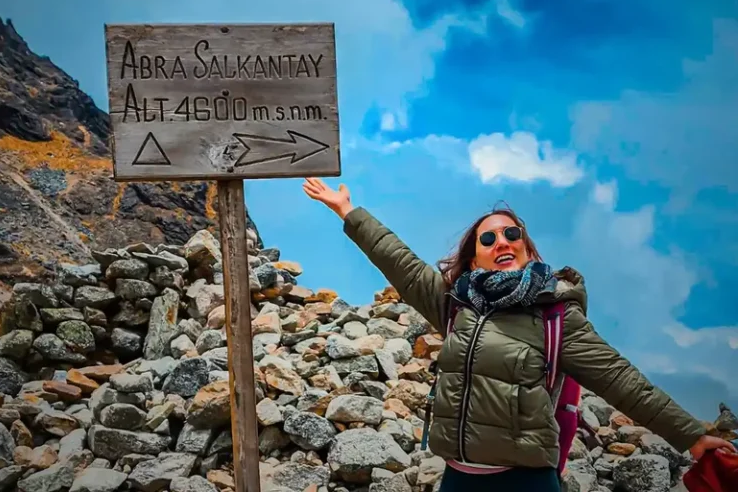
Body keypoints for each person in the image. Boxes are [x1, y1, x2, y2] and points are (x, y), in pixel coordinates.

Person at [302, 177, 736, 492]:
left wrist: (692, 437)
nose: (501, 241)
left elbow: (624, 382)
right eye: (488, 238)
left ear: (528, 250)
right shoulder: (455, 305)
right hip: (458, 477)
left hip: (527, 482)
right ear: (474, 261)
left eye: (513, 234)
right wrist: (348, 211)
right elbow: (399, 260)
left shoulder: (556, 317)